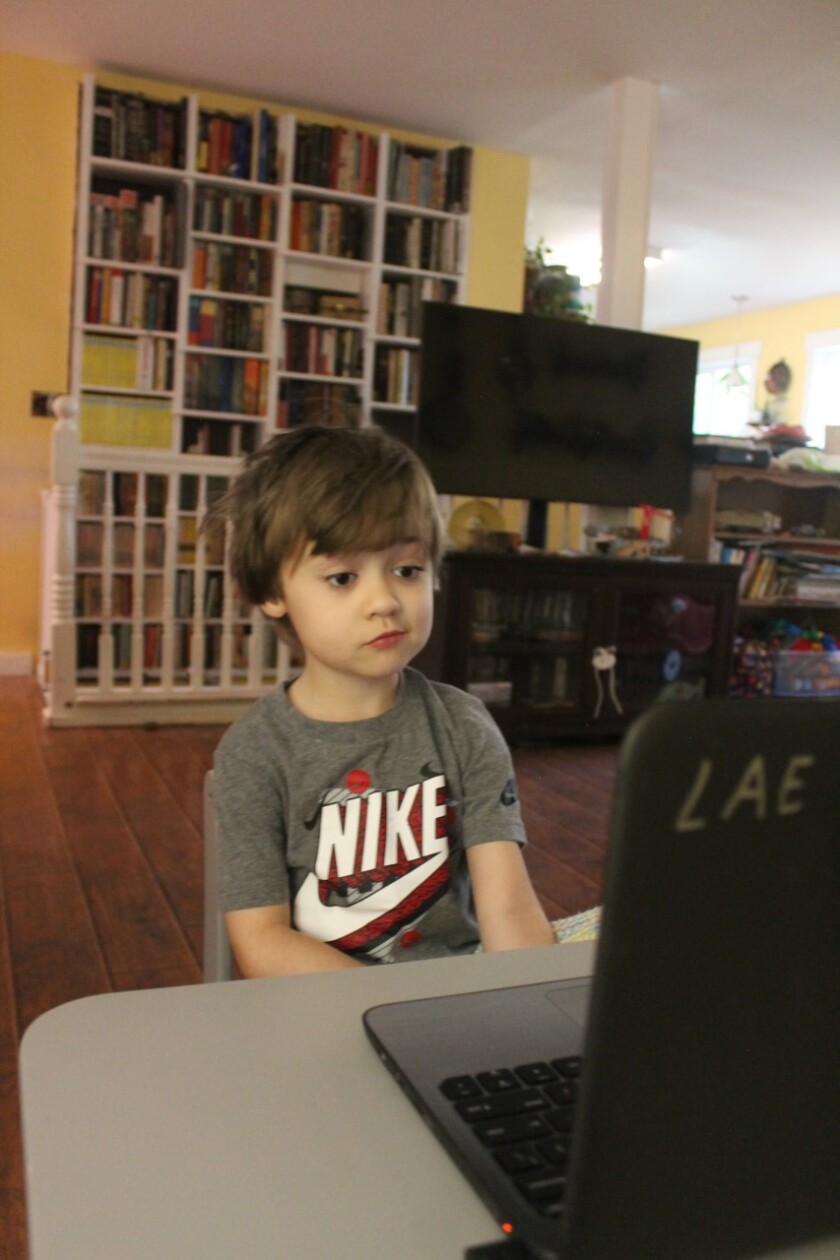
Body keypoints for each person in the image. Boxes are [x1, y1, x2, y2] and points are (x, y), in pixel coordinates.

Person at [208, 424, 555, 977]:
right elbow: (262, 941)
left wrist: (532, 1007)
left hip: (453, 1001)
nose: (385, 601)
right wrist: (388, 1013)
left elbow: (508, 908)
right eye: (343, 577)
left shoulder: (463, 727)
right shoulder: (254, 755)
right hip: (321, 1012)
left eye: (407, 570)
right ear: (271, 593)